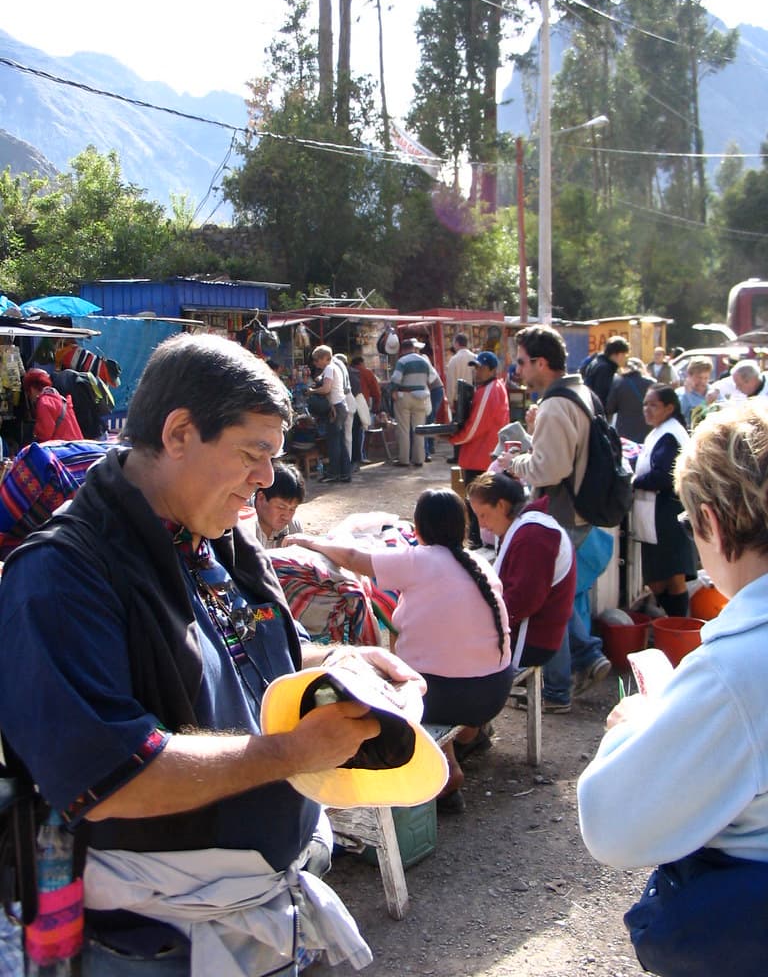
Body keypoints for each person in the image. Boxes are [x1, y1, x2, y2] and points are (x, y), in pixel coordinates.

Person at [0, 333, 424, 975]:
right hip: (157, 944)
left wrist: (340, 663)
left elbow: (252, 655)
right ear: (178, 434)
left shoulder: (219, 534)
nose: (265, 479)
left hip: (262, 917)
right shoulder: (60, 575)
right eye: (253, 453)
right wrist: (294, 753)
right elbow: (111, 775)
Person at [577, 400, 768, 977]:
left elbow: (611, 826)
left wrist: (632, 724)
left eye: (690, 523)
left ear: (709, 520)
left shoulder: (735, 667)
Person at [287, 488, 515, 815]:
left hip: (449, 696)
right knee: (425, 662)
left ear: (418, 530)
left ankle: (445, 772)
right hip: (495, 689)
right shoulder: (479, 563)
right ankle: (469, 737)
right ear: (462, 528)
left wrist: (311, 542)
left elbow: (353, 559)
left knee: (393, 681)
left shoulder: (418, 560)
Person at [505, 326, 611, 711]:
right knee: (559, 593)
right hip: (582, 510)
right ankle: (587, 656)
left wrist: (514, 463)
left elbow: (549, 470)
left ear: (541, 363)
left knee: (549, 600)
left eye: (520, 362)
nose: (517, 369)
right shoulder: (581, 392)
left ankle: (556, 690)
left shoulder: (555, 404)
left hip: (563, 511)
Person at [467, 472, 576, 671]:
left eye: (483, 515)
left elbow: (523, 600)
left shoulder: (533, 535)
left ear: (501, 506)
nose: (481, 524)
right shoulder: (523, 528)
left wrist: (477, 621)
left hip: (532, 640)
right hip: (529, 631)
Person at [633, 384, 697, 617]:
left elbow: (663, 475)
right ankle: (674, 621)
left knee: (672, 574)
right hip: (655, 513)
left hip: (666, 513)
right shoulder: (660, 431)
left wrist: (633, 482)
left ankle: (679, 624)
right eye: (645, 405)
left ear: (669, 407)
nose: (647, 410)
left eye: (654, 405)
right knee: (658, 577)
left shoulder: (670, 434)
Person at [448, 351, 509, 548]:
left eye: (481, 368)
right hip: (484, 455)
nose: (477, 372)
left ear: (492, 370)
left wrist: (454, 438)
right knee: (483, 504)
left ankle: (477, 544)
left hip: (479, 457)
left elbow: (475, 426)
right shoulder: (494, 387)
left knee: (477, 505)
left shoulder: (489, 390)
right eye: (476, 368)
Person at [389, 337, 439, 467]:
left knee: (404, 430)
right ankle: (419, 459)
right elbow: (432, 378)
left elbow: (396, 379)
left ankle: (404, 459)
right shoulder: (424, 361)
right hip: (421, 397)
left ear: (403, 349)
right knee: (419, 430)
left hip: (404, 396)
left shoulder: (402, 361)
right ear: (413, 347)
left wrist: (392, 390)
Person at [311, 344, 352, 484]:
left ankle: (334, 473)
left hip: (336, 408)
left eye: (317, 360)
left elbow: (326, 389)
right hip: (340, 406)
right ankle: (345, 473)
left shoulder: (329, 368)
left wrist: (312, 391)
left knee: (334, 442)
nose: (316, 363)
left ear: (324, 358)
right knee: (339, 441)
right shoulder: (334, 367)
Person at [252, 460, 305, 549]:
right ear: (261, 498)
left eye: (292, 509)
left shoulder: (294, 528)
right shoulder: (242, 525)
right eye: (281, 507)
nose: (287, 517)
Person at [22, 367, 84, 442]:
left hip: (63, 449)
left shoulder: (44, 403)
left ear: (31, 389)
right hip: (76, 445)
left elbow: (44, 436)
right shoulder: (59, 398)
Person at [605, 357, 654, 443]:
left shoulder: (618, 383)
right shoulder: (651, 383)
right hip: (648, 429)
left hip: (625, 431)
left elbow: (610, 408)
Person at [445, 333, 475, 464]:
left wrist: (450, 401)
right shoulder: (474, 357)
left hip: (458, 399)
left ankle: (458, 455)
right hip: (473, 397)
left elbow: (451, 382)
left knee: (457, 428)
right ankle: (471, 452)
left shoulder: (454, 360)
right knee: (470, 425)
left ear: (456, 343)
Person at [582, 335, 630, 408]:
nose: (626, 359)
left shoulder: (597, 361)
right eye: (625, 355)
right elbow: (603, 395)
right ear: (619, 354)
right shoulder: (605, 368)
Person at [350, 355, 381, 464]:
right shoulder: (366, 372)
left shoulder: (348, 372)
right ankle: (361, 456)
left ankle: (353, 457)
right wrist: (377, 405)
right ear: (361, 363)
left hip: (349, 405)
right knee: (362, 430)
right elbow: (376, 391)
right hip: (363, 404)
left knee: (351, 432)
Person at [675, 355, 719, 428]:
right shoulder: (680, 394)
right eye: (699, 377)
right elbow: (680, 416)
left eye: (706, 378)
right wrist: (687, 395)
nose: (702, 381)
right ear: (689, 375)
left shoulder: (714, 392)